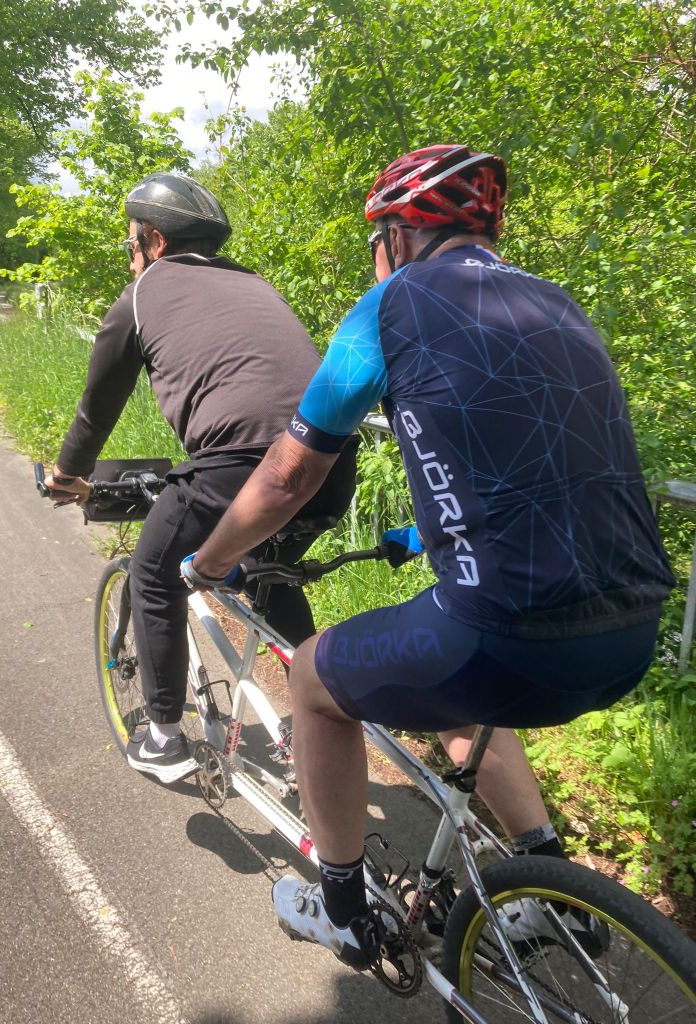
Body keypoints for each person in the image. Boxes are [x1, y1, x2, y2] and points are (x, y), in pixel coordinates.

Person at [183, 144, 675, 967]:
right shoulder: (556, 304)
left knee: (314, 680)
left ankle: (342, 910)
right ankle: (553, 887)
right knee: (453, 688)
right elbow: (555, 467)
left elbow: (289, 474)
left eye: (375, 241)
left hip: (504, 641)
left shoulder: (393, 303)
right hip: (632, 634)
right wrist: (428, 535)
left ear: (398, 235)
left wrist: (208, 560)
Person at [44, 171, 358, 783]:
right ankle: (313, 720)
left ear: (153, 241)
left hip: (239, 466)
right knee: (269, 573)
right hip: (330, 461)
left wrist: (66, 474)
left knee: (153, 574)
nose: (130, 257)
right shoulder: (253, 282)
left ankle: (163, 737)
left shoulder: (140, 296)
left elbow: (97, 407)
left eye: (130, 243)